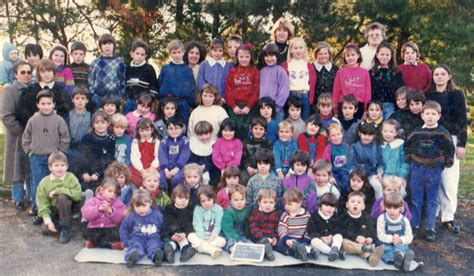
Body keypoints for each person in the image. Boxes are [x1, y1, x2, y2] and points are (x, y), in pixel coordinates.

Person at [404, 100, 455, 242]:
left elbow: (450, 150)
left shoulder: (443, 133)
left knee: (432, 200)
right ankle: (414, 226)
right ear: (422, 115)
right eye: (427, 113)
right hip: (417, 169)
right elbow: (407, 146)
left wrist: (444, 163)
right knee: (416, 199)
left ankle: (430, 228)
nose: (430, 117)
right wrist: (410, 159)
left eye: (433, 114)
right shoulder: (416, 132)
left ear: (439, 116)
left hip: (434, 170)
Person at [426, 64, 467, 233]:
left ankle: (448, 216)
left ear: (449, 76)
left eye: (443, 74)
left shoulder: (456, 95)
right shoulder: (429, 95)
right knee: (434, 177)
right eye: (436, 74)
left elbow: (463, 120)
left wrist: (461, 144)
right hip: (432, 138)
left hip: (451, 138)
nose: (439, 77)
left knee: (449, 179)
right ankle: (432, 214)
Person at [22, 91, 71, 222]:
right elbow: (26, 138)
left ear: (53, 104)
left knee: (53, 184)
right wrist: (30, 151)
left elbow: (65, 138)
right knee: (38, 185)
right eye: (42, 103)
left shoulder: (59, 120)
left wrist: (59, 155)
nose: (46, 106)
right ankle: (39, 211)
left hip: (53, 158)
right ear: (37, 104)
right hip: (37, 157)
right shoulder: (33, 120)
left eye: (49, 103)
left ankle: (52, 212)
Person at [0, 61, 33, 210]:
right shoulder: (10, 90)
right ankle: (18, 198)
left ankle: (33, 198)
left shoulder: (33, 89)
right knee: (16, 168)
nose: (26, 75)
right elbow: (6, 115)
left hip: (32, 135)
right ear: (15, 74)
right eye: (23, 72)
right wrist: (20, 130)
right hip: (17, 134)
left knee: (31, 167)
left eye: (28, 72)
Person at [35, 152, 81, 244]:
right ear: (50, 167)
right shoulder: (44, 182)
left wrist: (58, 190)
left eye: (62, 165)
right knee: (46, 230)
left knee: (62, 197)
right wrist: (48, 221)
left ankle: (65, 228)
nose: (59, 168)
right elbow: (42, 203)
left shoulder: (71, 178)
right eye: (56, 165)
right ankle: (52, 220)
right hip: (54, 209)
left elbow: (77, 195)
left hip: (69, 207)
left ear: (67, 166)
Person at [16, 59, 72, 128]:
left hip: (55, 130)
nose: (46, 74)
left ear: (54, 72)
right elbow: (22, 111)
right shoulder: (30, 90)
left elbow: (67, 110)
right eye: (43, 71)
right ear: (38, 73)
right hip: (35, 130)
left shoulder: (61, 90)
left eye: (49, 71)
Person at [119, 189, 164, 268]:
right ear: (133, 205)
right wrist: (126, 243)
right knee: (136, 246)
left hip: (153, 237)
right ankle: (132, 257)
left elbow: (163, 226)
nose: (141, 209)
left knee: (155, 245)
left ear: (150, 203)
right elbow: (124, 229)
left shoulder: (157, 214)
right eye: (138, 206)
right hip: (137, 237)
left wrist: (163, 238)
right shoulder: (132, 216)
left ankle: (156, 256)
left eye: (144, 206)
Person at [78, 110, 115, 200]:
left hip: (101, 172)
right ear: (93, 124)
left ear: (108, 124)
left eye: (103, 122)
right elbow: (82, 157)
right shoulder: (86, 138)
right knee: (84, 192)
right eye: (97, 122)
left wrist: (98, 173)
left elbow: (109, 159)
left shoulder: (111, 140)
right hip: (86, 172)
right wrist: (84, 172)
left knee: (101, 192)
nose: (100, 125)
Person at [339, 191, 384, 267]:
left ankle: (370, 258)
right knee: (343, 242)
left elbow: (372, 230)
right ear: (347, 204)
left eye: (359, 202)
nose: (355, 204)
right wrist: (355, 237)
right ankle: (370, 249)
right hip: (350, 244)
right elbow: (340, 231)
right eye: (352, 202)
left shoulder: (366, 218)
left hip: (363, 243)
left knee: (366, 248)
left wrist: (370, 238)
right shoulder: (343, 217)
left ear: (363, 207)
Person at [225, 43, 260, 139]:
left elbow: (256, 91)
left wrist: (248, 106)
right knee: (235, 129)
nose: (244, 59)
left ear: (251, 57)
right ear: (237, 57)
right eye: (241, 57)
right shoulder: (232, 71)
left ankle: (246, 150)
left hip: (249, 107)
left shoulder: (255, 71)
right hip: (235, 107)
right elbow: (228, 90)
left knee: (247, 129)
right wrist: (233, 106)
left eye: (247, 56)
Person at [157, 39, 195, 124]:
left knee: (181, 126)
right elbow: (160, 84)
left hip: (182, 104)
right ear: (170, 54)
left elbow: (191, 88)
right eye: (174, 53)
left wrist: (191, 104)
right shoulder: (166, 68)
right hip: (167, 103)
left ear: (183, 52)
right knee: (166, 125)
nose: (177, 55)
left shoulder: (188, 70)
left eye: (179, 52)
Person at [81, 178, 126, 249]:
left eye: (115, 192)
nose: (112, 194)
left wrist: (111, 211)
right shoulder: (93, 201)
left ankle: (97, 243)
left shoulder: (118, 203)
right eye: (110, 191)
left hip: (111, 229)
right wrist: (98, 209)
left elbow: (121, 218)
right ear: (102, 190)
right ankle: (110, 245)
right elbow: (85, 214)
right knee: (86, 233)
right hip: (95, 229)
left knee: (120, 233)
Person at [376, 193, 415, 272]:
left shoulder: (404, 220)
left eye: (395, 208)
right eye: (389, 207)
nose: (392, 210)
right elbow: (380, 234)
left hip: (399, 242)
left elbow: (409, 236)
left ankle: (399, 255)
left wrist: (400, 239)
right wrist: (391, 239)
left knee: (402, 247)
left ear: (400, 208)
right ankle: (402, 260)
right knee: (385, 249)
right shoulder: (382, 218)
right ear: (385, 207)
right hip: (386, 242)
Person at [281, 37, 317, 121]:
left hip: (304, 95)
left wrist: (310, 99)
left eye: (301, 48)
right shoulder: (285, 65)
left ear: (304, 50)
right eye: (295, 48)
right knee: (289, 121)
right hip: (290, 95)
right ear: (291, 50)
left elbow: (312, 83)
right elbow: (282, 84)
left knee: (305, 121)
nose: (298, 50)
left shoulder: (309, 66)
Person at [332, 44, 371, 120]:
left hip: (359, 105)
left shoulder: (365, 72)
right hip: (344, 105)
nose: (350, 57)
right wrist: (335, 110)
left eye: (353, 55)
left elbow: (368, 91)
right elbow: (336, 92)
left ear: (358, 55)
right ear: (345, 57)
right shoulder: (340, 72)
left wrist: (366, 110)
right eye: (348, 55)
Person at [88, 33, 126, 109]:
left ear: (114, 46)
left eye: (109, 43)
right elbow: (90, 81)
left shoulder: (119, 63)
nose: (107, 46)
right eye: (104, 44)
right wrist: (94, 97)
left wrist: (118, 97)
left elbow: (123, 82)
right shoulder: (95, 62)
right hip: (98, 99)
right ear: (100, 47)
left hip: (114, 100)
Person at [276, 188, 315, 261]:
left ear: (299, 203)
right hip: (289, 239)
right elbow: (281, 228)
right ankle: (298, 254)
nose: (287, 206)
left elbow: (308, 229)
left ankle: (311, 252)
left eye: (290, 204)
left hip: (301, 239)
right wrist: (286, 239)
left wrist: (306, 240)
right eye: (285, 204)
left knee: (309, 243)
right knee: (279, 245)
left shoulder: (306, 215)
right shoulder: (285, 215)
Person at [348, 123, 384, 199]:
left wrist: (379, 172)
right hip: (358, 173)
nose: (367, 137)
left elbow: (380, 162)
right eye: (364, 134)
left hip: (371, 173)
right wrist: (354, 173)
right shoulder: (355, 146)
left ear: (374, 136)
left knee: (378, 185)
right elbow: (351, 163)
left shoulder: (376, 146)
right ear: (359, 133)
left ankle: (379, 206)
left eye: (370, 135)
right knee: (354, 185)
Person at [162, 184, 197, 263]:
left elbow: (190, 225)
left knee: (184, 243)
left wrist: (185, 233)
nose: (183, 200)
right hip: (171, 235)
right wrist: (171, 235)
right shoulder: (169, 209)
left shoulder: (189, 211)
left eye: (186, 198)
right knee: (169, 243)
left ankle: (186, 253)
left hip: (182, 235)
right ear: (174, 198)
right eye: (180, 198)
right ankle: (169, 252)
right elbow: (165, 224)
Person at [188, 185, 226, 258]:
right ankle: (212, 250)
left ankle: (200, 248)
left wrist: (213, 236)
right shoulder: (198, 209)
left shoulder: (218, 209)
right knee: (190, 236)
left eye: (209, 200)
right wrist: (202, 238)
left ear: (213, 198)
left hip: (212, 237)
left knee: (223, 241)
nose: (206, 203)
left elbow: (218, 225)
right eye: (203, 201)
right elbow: (197, 224)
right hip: (199, 235)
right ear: (199, 201)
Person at [369, 42, 404, 119]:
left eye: (387, 55)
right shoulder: (371, 73)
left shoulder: (396, 73)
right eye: (382, 54)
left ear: (391, 56)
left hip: (390, 106)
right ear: (377, 55)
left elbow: (400, 91)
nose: (384, 57)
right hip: (375, 107)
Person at [308, 193, 345, 261]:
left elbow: (338, 228)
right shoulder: (315, 216)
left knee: (339, 236)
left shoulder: (335, 216)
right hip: (321, 241)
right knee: (314, 241)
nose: (329, 208)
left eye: (332, 206)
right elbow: (311, 231)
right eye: (326, 205)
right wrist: (321, 237)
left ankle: (335, 249)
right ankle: (333, 252)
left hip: (331, 241)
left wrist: (331, 236)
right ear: (320, 205)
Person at [124, 39, 158, 113]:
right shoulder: (128, 69)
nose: (139, 56)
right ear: (131, 54)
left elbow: (154, 87)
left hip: (144, 103)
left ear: (145, 56)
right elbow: (125, 86)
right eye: (137, 53)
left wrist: (149, 99)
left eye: (142, 55)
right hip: (130, 101)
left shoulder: (149, 69)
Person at [259, 43, 290, 122]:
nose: (269, 58)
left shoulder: (280, 71)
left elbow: (284, 89)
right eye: (266, 56)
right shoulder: (262, 71)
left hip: (276, 107)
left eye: (272, 56)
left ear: (277, 56)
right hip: (263, 107)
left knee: (276, 129)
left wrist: (278, 105)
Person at [248, 188, 280, 261]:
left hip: (271, 237)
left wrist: (274, 238)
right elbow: (253, 227)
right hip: (259, 236)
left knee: (280, 245)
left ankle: (268, 250)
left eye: (271, 202)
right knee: (257, 244)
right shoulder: (255, 212)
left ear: (275, 203)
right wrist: (263, 238)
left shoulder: (276, 213)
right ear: (259, 202)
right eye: (265, 202)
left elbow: (277, 228)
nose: (268, 205)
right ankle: (266, 251)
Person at [159, 117, 190, 191]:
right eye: (170, 128)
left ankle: (176, 195)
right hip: (166, 167)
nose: (174, 131)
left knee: (177, 178)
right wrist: (166, 169)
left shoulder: (185, 141)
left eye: (177, 128)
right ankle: (163, 196)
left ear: (182, 129)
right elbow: (162, 155)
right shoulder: (164, 141)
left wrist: (177, 168)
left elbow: (184, 155)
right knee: (160, 177)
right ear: (166, 130)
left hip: (180, 168)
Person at [66, 86, 91, 176]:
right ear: (73, 100)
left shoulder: (91, 116)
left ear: (87, 100)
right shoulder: (67, 115)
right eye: (77, 98)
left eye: (83, 98)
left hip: (85, 149)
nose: (80, 101)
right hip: (71, 149)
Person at [222, 185, 252, 253]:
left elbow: (247, 225)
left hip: (241, 234)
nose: (239, 202)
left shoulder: (246, 210)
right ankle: (233, 249)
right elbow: (228, 229)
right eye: (236, 200)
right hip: (229, 234)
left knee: (249, 243)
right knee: (229, 242)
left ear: (246, 199)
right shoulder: (228, 212)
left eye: (242, 199)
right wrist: (237, 240)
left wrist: (248, 237)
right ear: (230, 200)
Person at [380, 120, 409, 189]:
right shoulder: (381, 146)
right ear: (382, 132)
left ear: (396, 133)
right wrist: (380, 173)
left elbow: (405, 162)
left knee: (399, 192)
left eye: (391, 132)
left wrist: (402, 176)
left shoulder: (401, 145)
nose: (387, 134)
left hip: (398, 175)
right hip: (385, 175)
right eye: (385, 131)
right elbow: (379, 162)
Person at [242, 116, 272, 181]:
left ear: (265, 131)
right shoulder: (245, 142)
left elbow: (270, 158)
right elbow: (243, 157)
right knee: (243, 178)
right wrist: (247, 167)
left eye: (261, 129)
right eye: (255, 128)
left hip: (263, 168)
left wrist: (259, 169)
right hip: (248, 168)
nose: (258, 131)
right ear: (251, 129)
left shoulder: (267, 143)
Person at [323, 123, 350, 193]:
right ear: (329, 137)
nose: (336, 137)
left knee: (348, 184)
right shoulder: (328, 148)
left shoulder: (346, 146)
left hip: (346, 172)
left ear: (342, 134)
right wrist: (330, 176)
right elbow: (326, 164)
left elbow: (351, 161)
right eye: (333, 135)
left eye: (338, 134)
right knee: (336, 186)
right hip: (334, 173)